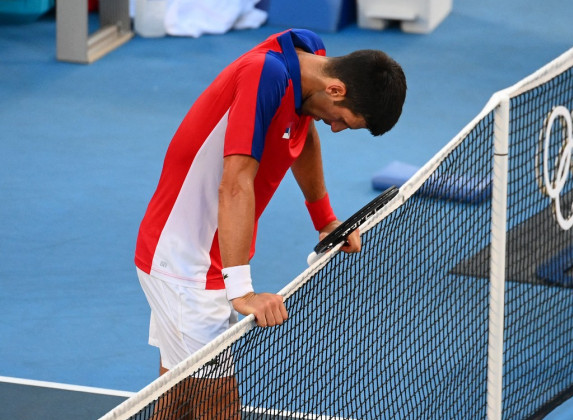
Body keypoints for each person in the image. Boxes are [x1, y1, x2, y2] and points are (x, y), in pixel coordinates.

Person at [134, 28, 406, 418]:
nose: (336, 129)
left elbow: (304, 135)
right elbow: (236, 183)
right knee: (218, 407)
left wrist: (325, 220)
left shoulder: (308, 63)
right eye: (344, 121)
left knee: (178, 401)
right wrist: (242, 291)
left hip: (204, 259)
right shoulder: (266, 74)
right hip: (184, 267)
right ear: (335, 90)